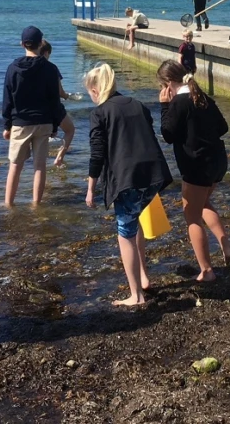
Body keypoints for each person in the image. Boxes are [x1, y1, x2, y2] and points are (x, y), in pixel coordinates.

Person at [84, 63, 173, 306]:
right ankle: (143, 276)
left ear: (95, 89)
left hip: (128, 180)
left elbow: (97, 155)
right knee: (136, 221)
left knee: (125, 234)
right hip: (154, 175)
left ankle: (136, 296)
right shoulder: (137, 104)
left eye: (89, 92)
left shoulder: (99, 113)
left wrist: (91, 188)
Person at [157, 60, 230, 281]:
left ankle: (206, 270)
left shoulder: (178, 103)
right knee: (202, 205)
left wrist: (164, 107)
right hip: (217, 161)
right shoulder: (203, 98)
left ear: (167, 84)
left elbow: (168, 134)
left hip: (196, 165)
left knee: (191, 215)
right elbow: (223, 128)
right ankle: (227, 247)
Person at [2, 26, 69, 206]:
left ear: (22, 44)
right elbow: (54, 100)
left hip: (20, 123)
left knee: (15, 166)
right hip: (44, 121)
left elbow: (8, 99)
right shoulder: (50, 68)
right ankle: (36, 204)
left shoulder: (13, 68)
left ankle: (9, 204)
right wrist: (54, 125)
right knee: (39, 166)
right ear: (41, 44)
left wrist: (7, 125)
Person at [38, 39, 76, 167]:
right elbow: (59, 91)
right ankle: (59, 158)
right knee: (70, 130)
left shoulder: (29, 68)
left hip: (37, 109)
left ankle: (41, 162)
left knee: (43, 137)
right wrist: (66, 96)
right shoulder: (52, 68)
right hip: (54, 108)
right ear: (47, 53)